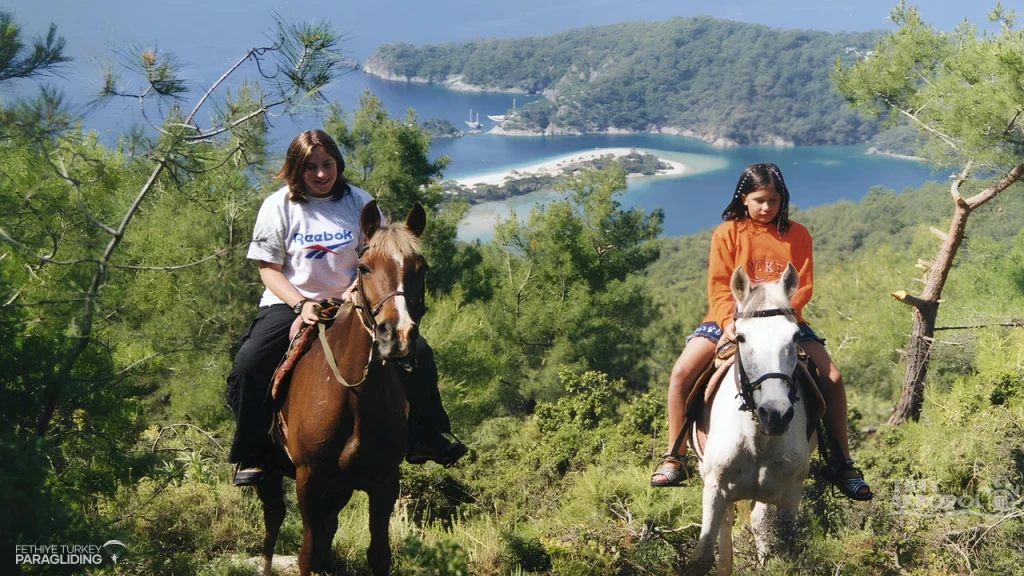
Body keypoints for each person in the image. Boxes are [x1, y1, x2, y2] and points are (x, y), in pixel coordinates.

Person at [226, 129, 466, 486]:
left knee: (419, 352)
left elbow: (379, 257)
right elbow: (268, 270)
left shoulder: (358, 201)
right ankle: (253, 452)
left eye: (328, 164)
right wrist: (301, 304)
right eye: (310, 167)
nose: (321, 173)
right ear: (296, 169)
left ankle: (424, 436)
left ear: (337, 162)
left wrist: (356, 290)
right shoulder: (278, 206)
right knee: (250, 363)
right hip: (291, 301)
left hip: (353, 302)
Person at [649, 162, 872, 501]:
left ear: (783, 199)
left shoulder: (798, 235)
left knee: (833, 378)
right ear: (743, 199)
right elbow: (719, 285)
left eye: (774, 200)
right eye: (759, 200)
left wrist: (779, 315)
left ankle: (842, 463)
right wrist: (728, 321)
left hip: (783, 319)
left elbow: (803, 286)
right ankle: (674, 457)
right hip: (728, 320)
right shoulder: (727, 233)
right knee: (681, 373)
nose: (767, 207)